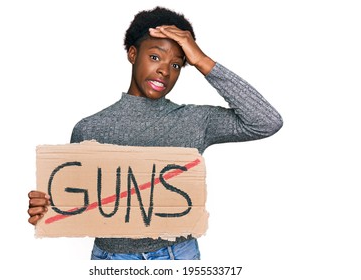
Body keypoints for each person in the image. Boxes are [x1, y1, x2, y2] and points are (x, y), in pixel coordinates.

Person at [28, 6, 283, 260]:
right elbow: (78, 206)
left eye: (177, 64)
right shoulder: (91, 128)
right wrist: (47, 209)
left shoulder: (196, 120)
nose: (165, 71)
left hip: (177, 256)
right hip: (112, 260)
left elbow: (266, 121)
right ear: (132, 54)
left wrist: (202, 60)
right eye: (155, 57)